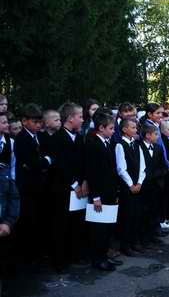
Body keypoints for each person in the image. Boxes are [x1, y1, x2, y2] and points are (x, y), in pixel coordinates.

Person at [48, 103, 88, 271]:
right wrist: (74, 185)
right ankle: (59, 261)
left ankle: (75, 254)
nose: (82, 119)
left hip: (80, 188)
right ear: (70, 118)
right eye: (80, 116)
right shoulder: (56, 139)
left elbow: (84, 162)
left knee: (77, 222)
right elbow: (59, 164)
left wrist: (84, 182)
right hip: (63, 189)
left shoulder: (79, 137)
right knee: (61, 225)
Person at [14, 103, 52, 269]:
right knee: (29, 221)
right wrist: (45, 161)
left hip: (41, 187)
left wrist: (43, 162)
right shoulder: (21, 139)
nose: (38, 125)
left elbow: (45, 158)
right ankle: (29, 257)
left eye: (39, 122)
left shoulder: (41, 137)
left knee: (41, 220)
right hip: (28, 188)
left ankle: (40, 253)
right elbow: (32, 163)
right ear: (24, 121)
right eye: (35, 122)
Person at [85, 111, 119, 271]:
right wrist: (96, 196)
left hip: (110, 192)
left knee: (107, 227)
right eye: (111, 128)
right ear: (101, 128)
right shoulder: (93, 144)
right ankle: (98, 259)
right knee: (99, 228)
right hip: (100, 194)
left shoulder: (107, 142)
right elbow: (93, 173)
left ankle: (105, 256)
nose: (113, 131)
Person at [115, 118, 146, 256]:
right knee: (127, 215)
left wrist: (139, 182)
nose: (135, 130)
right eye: (132, 127)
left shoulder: (137, 145)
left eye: (135, 127)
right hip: (127, 187)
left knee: (136, 214)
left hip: (137, 186)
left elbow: (142, 166)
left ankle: (134, 241)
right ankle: (125, 244)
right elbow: (121, 168)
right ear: (124, 129)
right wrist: (131, 184)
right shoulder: (120, 145)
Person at [139, 125, 168, 246]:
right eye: (155, 134)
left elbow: (164, 167)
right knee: (144, 211)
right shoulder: (138, 146)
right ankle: (144, 237)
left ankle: (153, 235)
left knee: (154, 209)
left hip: (156, 184)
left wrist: (157, 175)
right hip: (143, 185)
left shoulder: (158, 148)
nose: (157, 137)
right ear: (147, 135)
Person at [0, 111, 18, 297]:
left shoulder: (10, 145)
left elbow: (12, 178)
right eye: (2, 122)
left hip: (4, 202)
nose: (6, 124)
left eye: (6, 121)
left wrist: (8, 220)